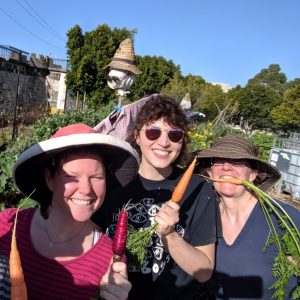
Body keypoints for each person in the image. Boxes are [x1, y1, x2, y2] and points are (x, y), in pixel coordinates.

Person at [93, 95, 219, 300]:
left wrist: (169, 235)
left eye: (175, 135)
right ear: (136, 135)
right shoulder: (112, 185)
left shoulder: (199, 190)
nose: (164, 142)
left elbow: (204, 272)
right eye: (153, 132)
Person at [0, 123, 140, 300]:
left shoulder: (109, 261)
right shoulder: (6, 225)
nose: (86, 189)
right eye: (71, 177)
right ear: (50, 178)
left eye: (96, 177)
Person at [196, 135, 300, 299]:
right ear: (209, 172)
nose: (227, 167)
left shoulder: (284, 219)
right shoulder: (202, 216)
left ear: (252, 174)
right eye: (219, 160)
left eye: (238, 161)